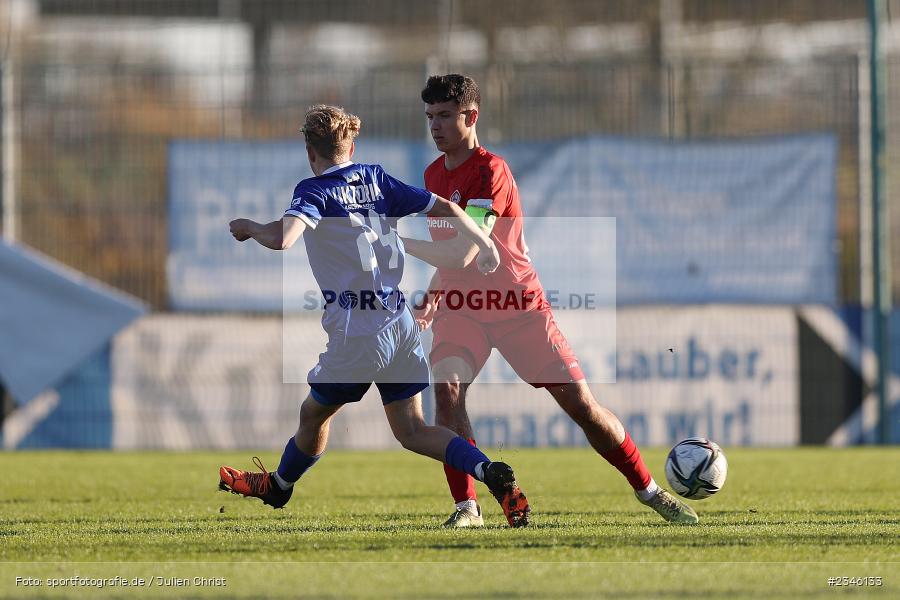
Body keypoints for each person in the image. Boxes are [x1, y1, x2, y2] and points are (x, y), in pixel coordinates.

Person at [402, 75, 698, 527]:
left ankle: (650, 491)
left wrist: (395, 242)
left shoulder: (490, 171)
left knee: (582, 407)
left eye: (444, 116)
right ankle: (468, 508)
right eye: (430, 117)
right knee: (447, 390)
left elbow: (466, 248)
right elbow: (451, 258)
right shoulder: (432, 175)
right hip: (463, 309)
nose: (435, 126)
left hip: (517, 308)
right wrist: (432, 295)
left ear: (471, 116)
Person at [219, 104, 530, 528]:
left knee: (313, 415)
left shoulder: (313, 190)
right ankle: (488, 471)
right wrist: (487, 244)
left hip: (357, 333)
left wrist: (251, 227)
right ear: (351, 144)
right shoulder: (376, 179)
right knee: (414, 431)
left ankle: (280, 486)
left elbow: (284, 238)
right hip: (399, 325)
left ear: (311, 151)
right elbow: (448, 210)